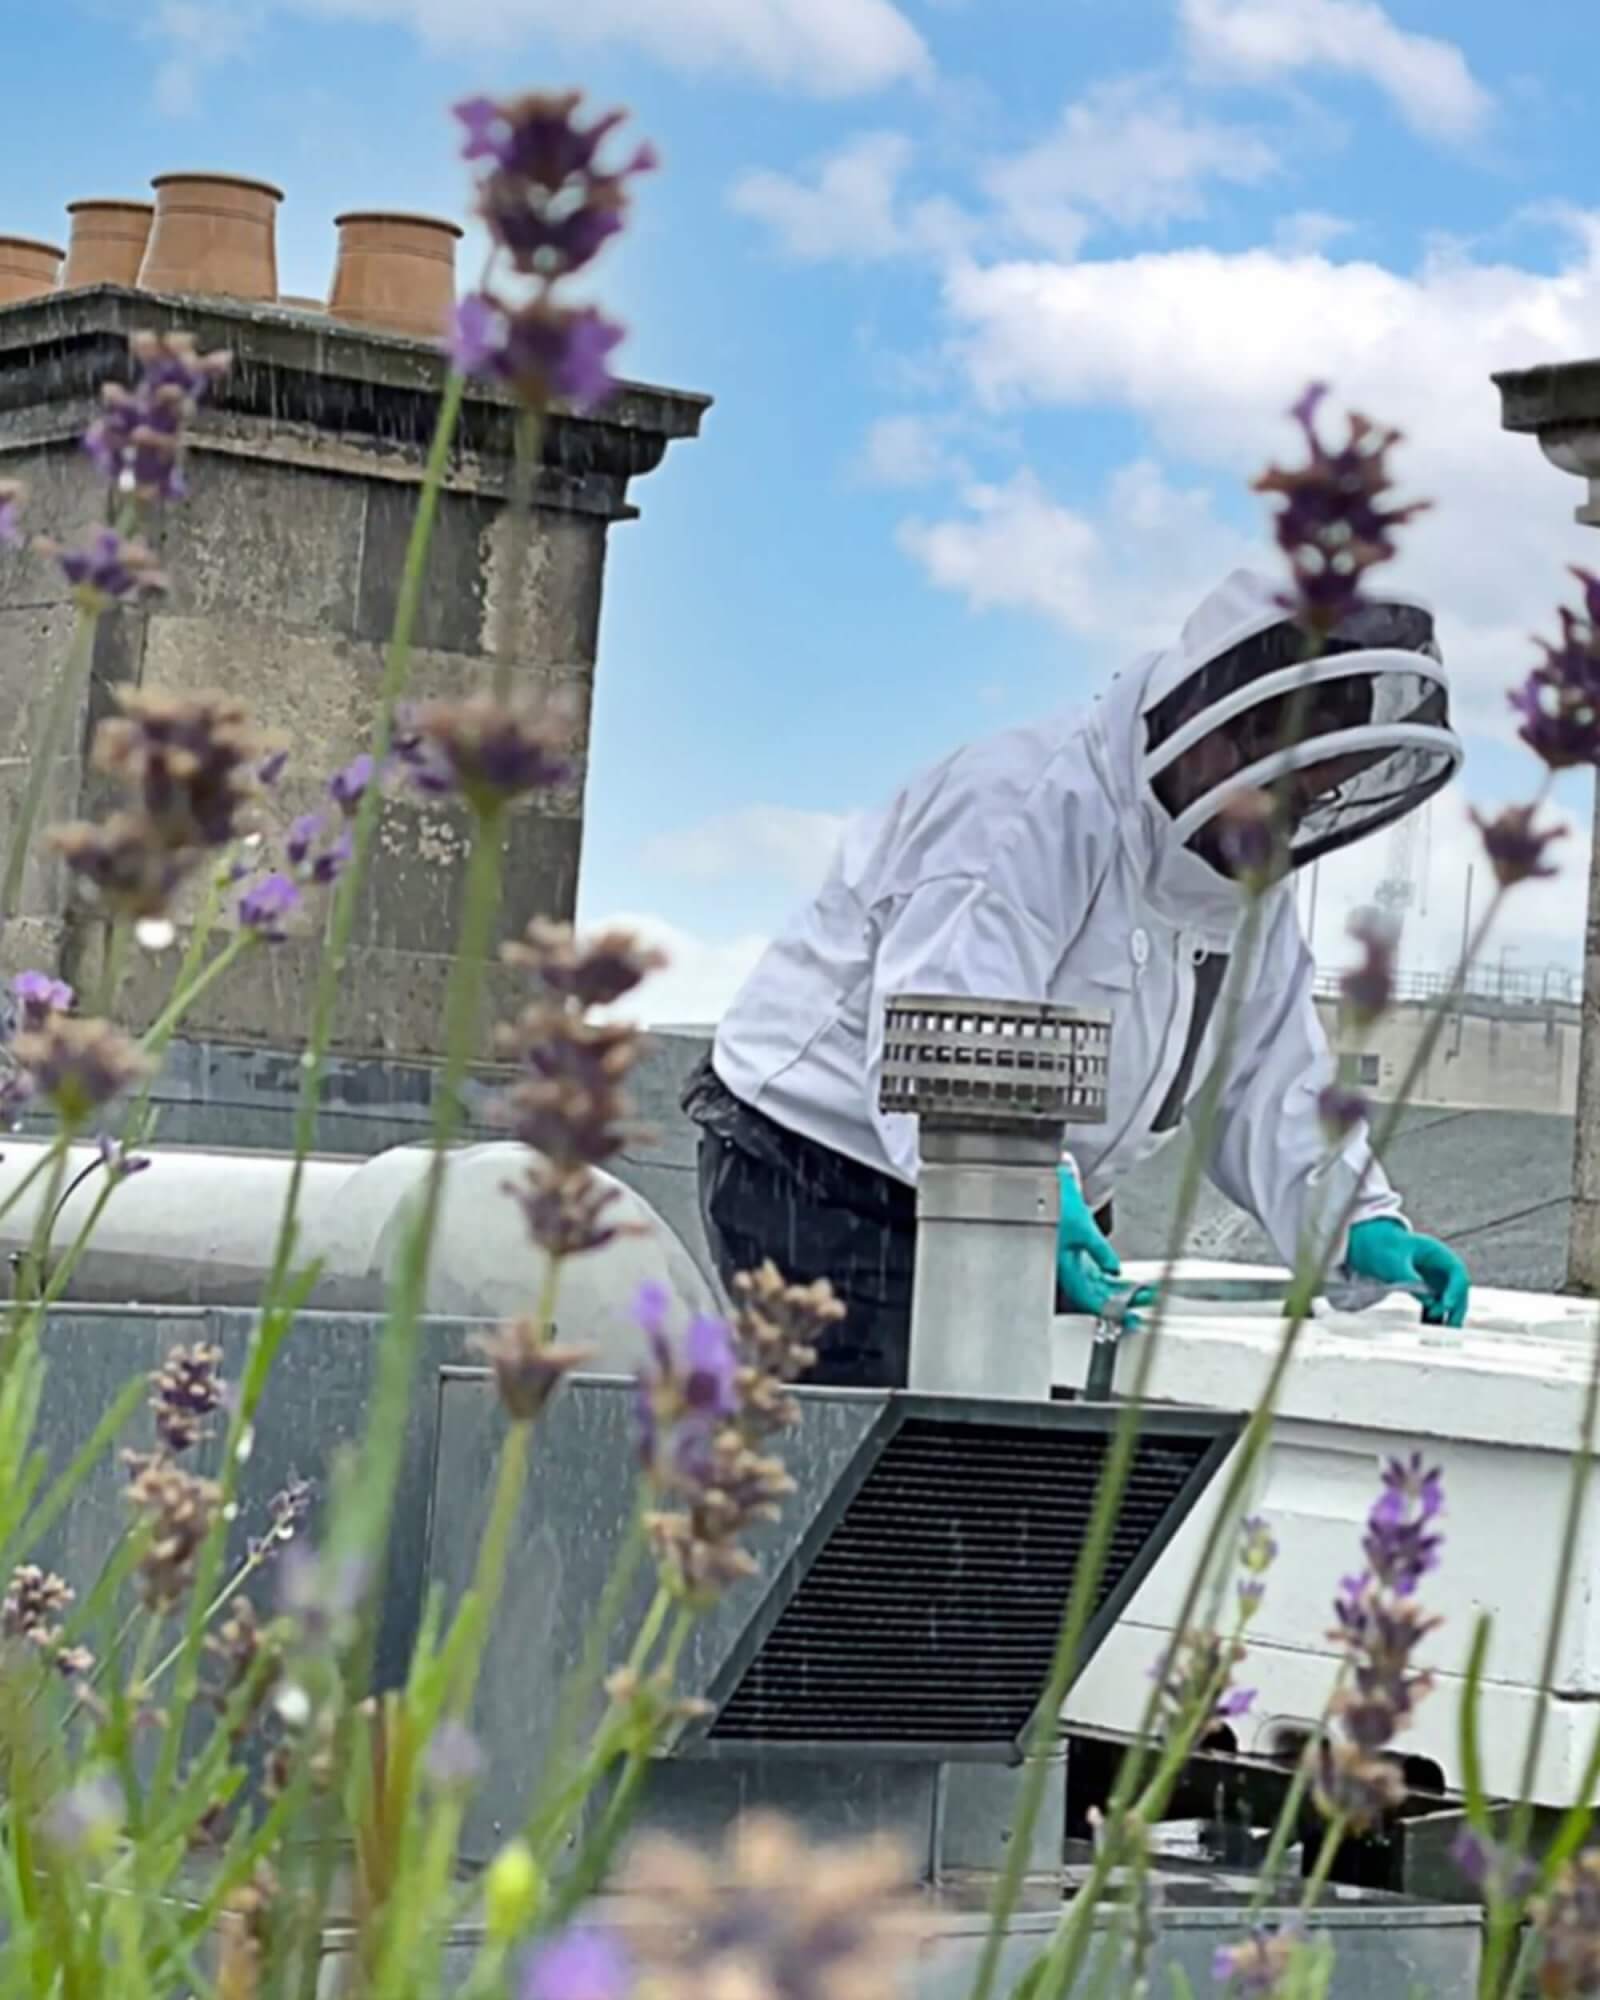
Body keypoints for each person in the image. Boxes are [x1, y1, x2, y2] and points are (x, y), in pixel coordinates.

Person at [682, 569, 1470, 1387]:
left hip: (1041, 1195)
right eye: (1278, 789)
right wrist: (1030, 1199)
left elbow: (1267, 1072)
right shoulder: (1018, 810)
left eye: (1308, 800)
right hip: (822, 1173)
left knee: (1032, 1461)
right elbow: (952, 1035)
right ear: (1217, 736)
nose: (1286, 819)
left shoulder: (1237, 878)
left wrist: (1353, 1221)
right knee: (895, 1469)